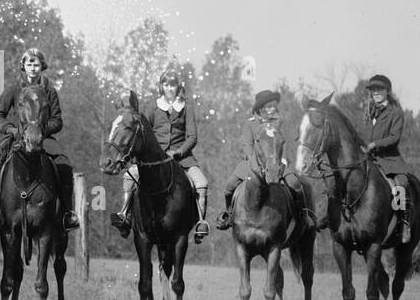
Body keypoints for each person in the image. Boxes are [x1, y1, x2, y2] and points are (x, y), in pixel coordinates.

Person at [111, 72, 210, 244]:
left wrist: (178, 152)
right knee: (129, 177)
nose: (169, 88)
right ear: (161, 87)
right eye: (166, 85)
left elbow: (192, 138)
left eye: (172, 85)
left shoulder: (187, 108)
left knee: (201, 183)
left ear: (178, 87)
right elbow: (143, 131)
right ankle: (124, 214)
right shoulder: (152, 106)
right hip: (154, 160)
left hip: (182, 159)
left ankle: (200, 223)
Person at [0, 47, 81, 232]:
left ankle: (66, 213)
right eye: (29, 63)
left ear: (42, 66)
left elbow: (57, 120)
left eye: (36, 64)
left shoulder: (50, 91)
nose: (32, 67)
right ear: (23, 65)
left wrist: (40, 130)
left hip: (43, 137)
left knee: (64, 166)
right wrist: (12, 129)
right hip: (17, 138)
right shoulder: (13, 89)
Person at [215, 88, 315, 232]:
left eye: (274, 105)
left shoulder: (280, 122)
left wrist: (284, 161)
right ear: (261, 108)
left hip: (277, 163)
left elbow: (285, 142)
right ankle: (229, 215)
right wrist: (252, 161)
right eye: (269, 106)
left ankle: (303, 216)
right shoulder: (250, 124)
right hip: (253, 164)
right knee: (229, 186)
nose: (272, 109)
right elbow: (247, 144)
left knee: (295, 184)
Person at [359, 73, 416, 243]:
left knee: (401, 184)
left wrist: (374, 144)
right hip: (367, 159)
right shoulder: (368, 112)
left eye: (379, 89)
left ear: (387, 91)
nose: (375, 92)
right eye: (373, 89)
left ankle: (404, 224)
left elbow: (394, 137)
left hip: (389, 160)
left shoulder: (396, 112)